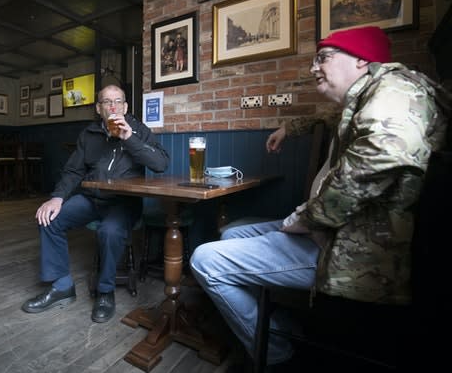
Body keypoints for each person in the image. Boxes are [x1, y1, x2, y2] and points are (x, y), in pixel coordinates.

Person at [189, 26, 450, 369]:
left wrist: (311, 218)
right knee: (230, 232)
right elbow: (326, 117)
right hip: (330, 230)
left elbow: (386, 153)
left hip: (346, 248)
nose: (313, 67)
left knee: (205, 259)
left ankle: (280, 354)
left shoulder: (396, 89)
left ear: (361, 61)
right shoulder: (365, 99)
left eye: (323, 57)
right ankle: (276, 326)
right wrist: (289, 128)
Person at [22, 85, 169, 323]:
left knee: (109, 230)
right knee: (49, 219)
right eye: (107, 102)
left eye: (118, 101)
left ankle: (105, 291)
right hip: (92, 199)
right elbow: (72, 171)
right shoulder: (89, 134)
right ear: (99, 108)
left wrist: (129, 138)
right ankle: (62, 287)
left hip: (124, 203)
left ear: (125, 107)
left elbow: (161, 164)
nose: (113, 107)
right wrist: (57, 197)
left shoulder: (139, 130)